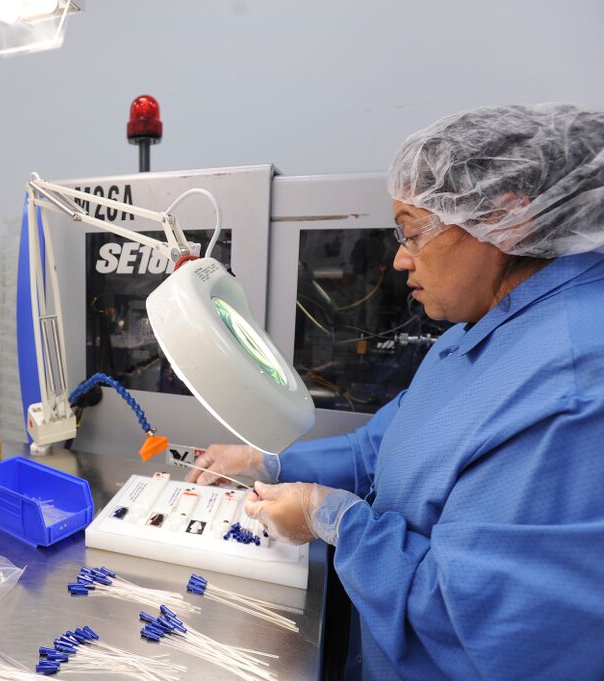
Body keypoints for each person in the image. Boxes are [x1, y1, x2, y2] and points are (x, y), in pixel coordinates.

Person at [187, 103, 604, 680]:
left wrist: (334, 520)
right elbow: (383, 449)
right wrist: (266, 462)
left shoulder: (575, 382)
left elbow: (484, 623)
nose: (400, 258)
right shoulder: (478, 333)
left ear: (507, 219)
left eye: (412, 232)